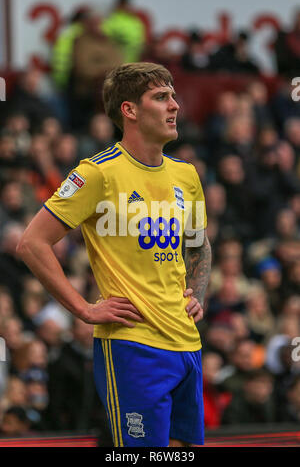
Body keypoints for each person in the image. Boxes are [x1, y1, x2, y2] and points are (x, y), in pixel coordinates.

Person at [16, 62, 211, 447]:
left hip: (187, 343)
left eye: (173, 96)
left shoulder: (185, 174)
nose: (175, 106)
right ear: (130, 110)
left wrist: (198, 292)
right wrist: (84, 309)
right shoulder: (97, 173)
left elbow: (199, 243)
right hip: (132, 344)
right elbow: (31, 243)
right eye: (161, 97)